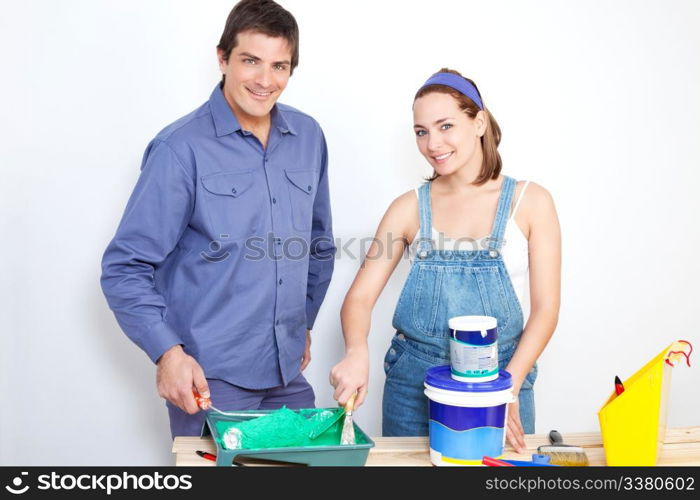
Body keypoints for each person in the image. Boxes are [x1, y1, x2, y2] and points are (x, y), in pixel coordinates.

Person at [101, 0, 335, 439]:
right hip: (211, 380)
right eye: (251, 61)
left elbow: (318, 242)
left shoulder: (308, 137)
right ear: (222, 58)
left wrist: (301, 323)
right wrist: (168, 354)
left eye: (279, 66)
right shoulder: (179, 149)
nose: (266, 81)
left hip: (288, 374)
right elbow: (125, 267)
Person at [329, 69, 560, 452]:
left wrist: (506, 390)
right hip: (413, 385)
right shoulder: (407, 210)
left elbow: (547, 310)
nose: (432, 143)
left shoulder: (531, 202)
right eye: (421, 131)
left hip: (501, 380)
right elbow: (359, 298)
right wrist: (356, 350)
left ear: (479, 122)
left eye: (446, 126)